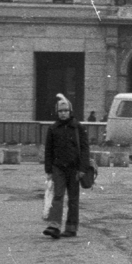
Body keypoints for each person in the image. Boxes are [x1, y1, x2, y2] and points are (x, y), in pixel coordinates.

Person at [41, 93, 92, 239]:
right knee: (58, 196)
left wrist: (82, 168)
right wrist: (49, 170)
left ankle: (71, 228)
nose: (63, 114)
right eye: (60, 111)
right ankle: (54, 226)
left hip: (74, 169)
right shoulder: (53, 129)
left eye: (65, 111)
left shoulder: (78, 128)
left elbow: (84, 149)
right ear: (57, 113)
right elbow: (48, 151)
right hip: (58, 168)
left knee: (73, 199)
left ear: (70, 112)